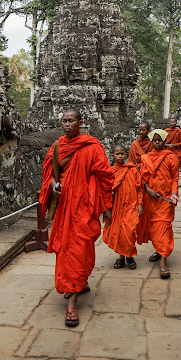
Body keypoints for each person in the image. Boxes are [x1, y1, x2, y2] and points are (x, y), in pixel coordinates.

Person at [39, 108, 114, 327]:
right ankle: (74, 293)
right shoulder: (57, 147)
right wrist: (54, 187)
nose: (67, 124)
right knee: (66, 250)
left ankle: (74, 295)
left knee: (80, 248)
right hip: (65, 208)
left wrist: (107, 207)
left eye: (71, 121)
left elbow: (105, 177)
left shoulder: (92, 146)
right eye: (64, 121)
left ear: (80, 123)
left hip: (85, 207)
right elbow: (49, 176)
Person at [136, 129, 179, 279]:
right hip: (151, 199)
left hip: (166, 199)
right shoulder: (146, 158)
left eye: (159, 140)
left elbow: (175, 178)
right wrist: (148, 190)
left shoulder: (171, 157)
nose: (157, 142)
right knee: (154, 228)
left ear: (164, 141)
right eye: (154, 140)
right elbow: (143, 178)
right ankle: (159, 250)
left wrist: (173, 193)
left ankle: (163, 262)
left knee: (163, 226)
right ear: (151, 141)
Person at [103, 145, 144, 270]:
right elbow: (106, 191)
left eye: (122, 153)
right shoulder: (110, 172)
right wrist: (107, 209)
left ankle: (129, 256)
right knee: (118, 232)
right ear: (113, 156)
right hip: (117, 207)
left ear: (126, 155)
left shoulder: (132, 169)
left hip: (131, 205)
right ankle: (122, 257)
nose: (120, 156)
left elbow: (139, 188)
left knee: (130, 231)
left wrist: (140, 204)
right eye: (117, 154)